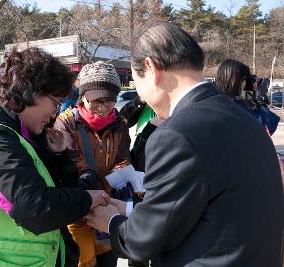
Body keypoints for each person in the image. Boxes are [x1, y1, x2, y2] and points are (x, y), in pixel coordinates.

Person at [85, 21, 284, 266]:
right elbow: (201, 206)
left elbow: (142, 242)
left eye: (136, 81)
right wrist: (129, 210)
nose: (141, 95)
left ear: (150, 66)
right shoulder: (244, 118)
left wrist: (111, 221)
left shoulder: (175, 135)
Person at [0, 47, 108, 266]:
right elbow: (36, 210)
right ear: (31, 91)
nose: (55, 114)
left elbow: (56, 192)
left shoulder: (21, 133)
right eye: (55, 103)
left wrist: (58, 155)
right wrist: (87, 200)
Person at [55, 61, 131, 267]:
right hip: (79, 209)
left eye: (109, 102)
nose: (102, 109)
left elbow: (122, 157)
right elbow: (70, 157)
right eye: (95, 101)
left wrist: (122, 176)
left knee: (108, 260)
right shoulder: (66, 122)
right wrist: (86, 177)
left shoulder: (120, 124)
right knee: (84, 260)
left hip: (108, 205)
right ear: (83, 97)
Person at [215, 58, 280, 135]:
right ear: (237, 80)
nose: (247, 83)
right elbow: (266, 129)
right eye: (246, 79)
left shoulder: (215, 99)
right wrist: (261, 99)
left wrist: (249, 98)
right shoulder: (237, 107)